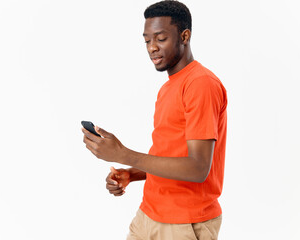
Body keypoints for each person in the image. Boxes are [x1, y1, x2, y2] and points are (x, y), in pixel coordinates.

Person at [82, 0, 227, 239]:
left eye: (160, 39)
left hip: (183, 223)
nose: (152, 48)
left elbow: (198, 168)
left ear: (184, 36)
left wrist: (122, 153)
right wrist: (132, 173)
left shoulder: (200, 84)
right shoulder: (169, 88)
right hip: (148, 215)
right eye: (147, 40)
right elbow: (170, 156)